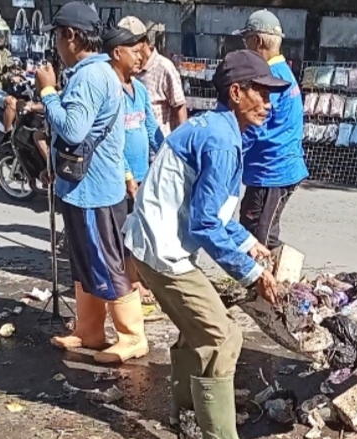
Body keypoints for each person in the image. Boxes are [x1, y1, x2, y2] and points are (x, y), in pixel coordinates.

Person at [122, 50, 285, 439]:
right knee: (224, 336)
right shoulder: (221, 141)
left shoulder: (218, 129)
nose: (268, 103)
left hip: (152, 244)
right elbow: (205, 222)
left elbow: (214, 212)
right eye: (260, 93)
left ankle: (187, 416)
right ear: (236, 92)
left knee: (196, 330)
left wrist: (248, 244)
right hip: (164, 252)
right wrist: (252, 274)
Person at [35, 1, 148, 364]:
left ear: (69, 35)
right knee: (84, 263)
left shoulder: (89, 76)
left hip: (94, 193)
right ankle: (90, 330)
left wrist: (48, 92)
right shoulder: (99, 71)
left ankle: (132, 336)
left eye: (57, 37)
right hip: (83, 189)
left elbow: (72, 129)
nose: (55, 46)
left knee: (106, 262)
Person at [233, 9, 308, 250]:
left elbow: (255, 123)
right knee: (256, 229)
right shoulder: (283, 71)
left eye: (246, 40)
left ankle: (271, 283)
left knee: (258, 237)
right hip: (276, 168)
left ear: (258, 41)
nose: (245, 47)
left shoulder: (269, 75)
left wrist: (231, 153)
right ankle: (278, 278)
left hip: (272, 172)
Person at [102, 25, 163, 306]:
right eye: (135, 53)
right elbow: (113, 140)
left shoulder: (138, 88)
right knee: (123, 235)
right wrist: (128, 177)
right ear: (117, 53)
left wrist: (166, 151)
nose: (141, 58)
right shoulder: (110, 90)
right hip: (119, 177)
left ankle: (136, 277)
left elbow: (150, 126)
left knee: (139, 231)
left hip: (143, 174)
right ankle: (131, 283)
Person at [119, 16, 187, 138]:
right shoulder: (124, 68)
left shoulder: (164, 67)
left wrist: (182, 143)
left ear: (143, 43)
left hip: (159, 144)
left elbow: (180, 106)